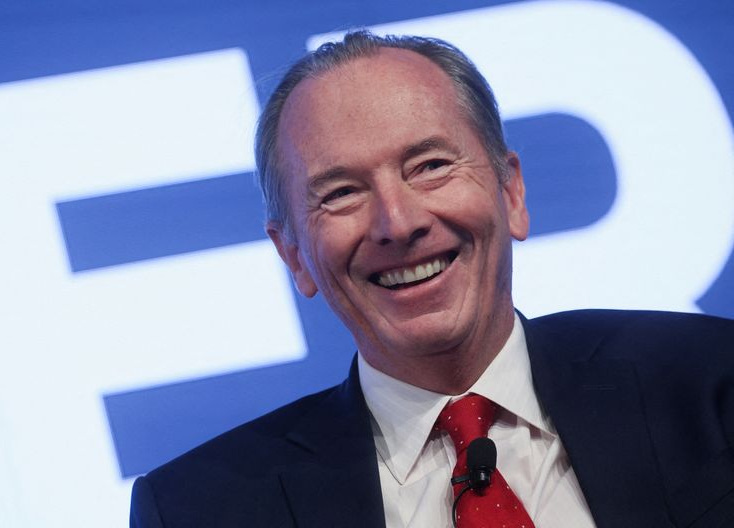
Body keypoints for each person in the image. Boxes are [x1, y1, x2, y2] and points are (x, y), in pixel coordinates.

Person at [130, 31, 734, 527]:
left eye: (431, 166)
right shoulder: (199, 510)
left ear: (511, 191)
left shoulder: (709, 382)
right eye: (341, 194)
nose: (398, 222)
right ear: (292, 255)